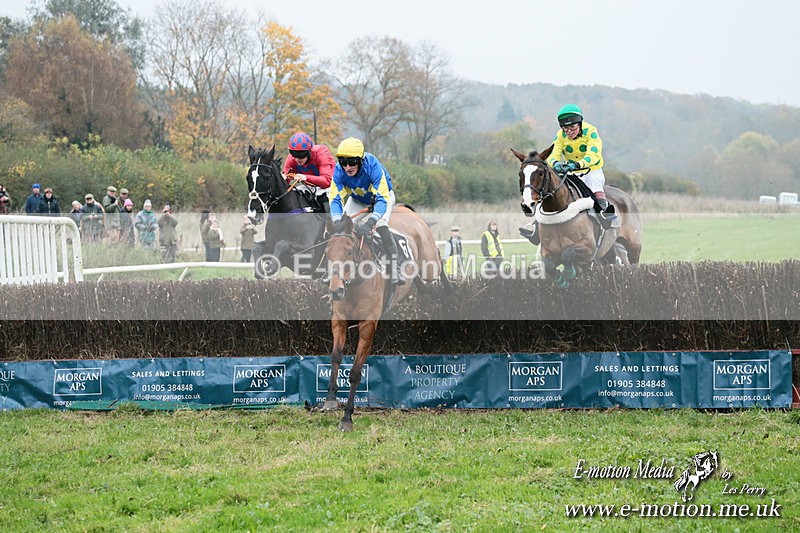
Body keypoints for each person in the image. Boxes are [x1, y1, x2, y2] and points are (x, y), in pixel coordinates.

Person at [329, 137, 405, 285]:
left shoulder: (373, 167)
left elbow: (382, 200)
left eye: (352, 162)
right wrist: (337, 221)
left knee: (382, 225)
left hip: (382, 198)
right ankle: (332, 271)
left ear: (361, 160)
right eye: (343, 162)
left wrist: (371, 221)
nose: (347, 167)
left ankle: (396, 268)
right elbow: (335, 200)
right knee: (339, 230)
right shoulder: (338, 171)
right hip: (358, 199)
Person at [548, 104, 616, 223]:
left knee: (594, 186)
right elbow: (553, 154)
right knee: (552, 191)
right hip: (571, 173)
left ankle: (605, 214)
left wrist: (578, 164)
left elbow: (593, 156)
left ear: (579, 123)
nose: (569, 131)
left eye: (573, 127)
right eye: (565, 128)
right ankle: (538, 224)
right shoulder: (560, 135)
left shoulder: (591, 131)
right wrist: (556, 164)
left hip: (591, 171)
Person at [282, 132, 335, 213]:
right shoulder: (291, 159)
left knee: (322, 194)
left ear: (309, 152)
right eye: (294, 155)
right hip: (310, 186)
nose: (297, 160)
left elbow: (327, 181)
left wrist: (305, 177)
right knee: (293, 194)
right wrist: (283, 178)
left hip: (330, 186)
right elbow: (284, 184)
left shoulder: (321, 153)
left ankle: (332, 223)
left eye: (301, 156)